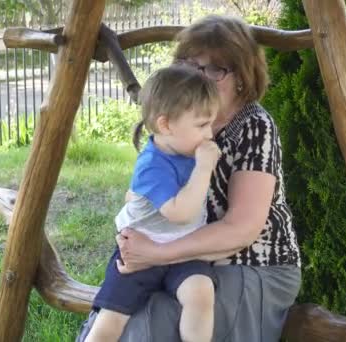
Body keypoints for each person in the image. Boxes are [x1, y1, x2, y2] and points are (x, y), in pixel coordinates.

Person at [77, 14, 301, 342]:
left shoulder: (255, 126)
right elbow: (143, 192)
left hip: (252, 262)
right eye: (191, 65)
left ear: (242, 76)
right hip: (182, 255)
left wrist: (155, 253)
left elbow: (242, 229)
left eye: (215, 69)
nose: (201, 78)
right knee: (127, 318)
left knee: (156, 321)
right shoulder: (177, 121)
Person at [85, 65, 225, 342]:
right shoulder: (151, 165)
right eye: (201, 125)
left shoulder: (184, 151)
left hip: (182, 251)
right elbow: (181, 213)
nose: (210, 134)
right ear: (165, 125)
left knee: (201, 293)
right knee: (111, 318)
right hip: (138, 254)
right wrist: (204, 168)